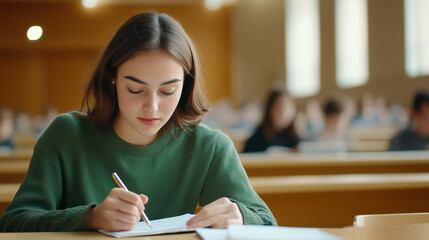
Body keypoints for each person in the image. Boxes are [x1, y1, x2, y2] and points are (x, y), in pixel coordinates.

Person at [0, 12, 276, 232]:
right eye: (135, 89)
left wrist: (240, 216)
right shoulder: (67, 135)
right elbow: (13, 223)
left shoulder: (209, 146)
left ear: (186, 85)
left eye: (168, 90)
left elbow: (268, 223)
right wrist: (90, 218)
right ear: (113, 78)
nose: (152, 107)